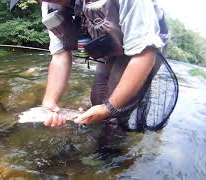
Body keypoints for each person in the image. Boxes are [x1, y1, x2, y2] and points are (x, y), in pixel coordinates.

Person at [11, 0, 177, 131]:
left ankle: (114, 154)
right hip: (111, 46)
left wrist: (108, 109)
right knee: (98, 98)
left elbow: (144, 56)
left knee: (114, 113)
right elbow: (60, 55)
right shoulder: (49, 7)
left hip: (146, 46)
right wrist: (48, 103)